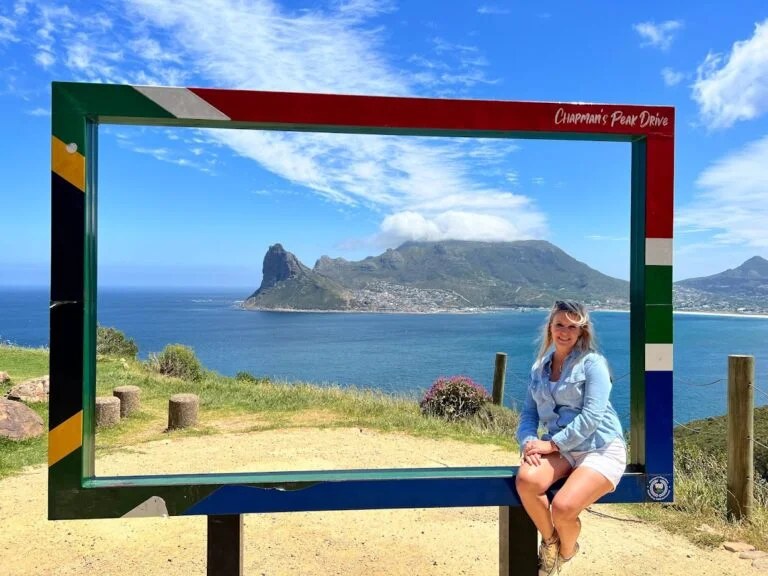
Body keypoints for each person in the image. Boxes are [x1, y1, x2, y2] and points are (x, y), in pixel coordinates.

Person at [515, 300, 626, 575]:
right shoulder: (539, 368)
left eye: (572, 327)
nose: (564, 332)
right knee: (527, 480)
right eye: (559, 325)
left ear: (581, 332)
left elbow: (592, 417)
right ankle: (551, 542)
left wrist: (551, 444)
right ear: (550, 328)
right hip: (562, 447)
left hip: (599, 446)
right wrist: (528, 442)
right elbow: (529, 414)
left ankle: (565, 553)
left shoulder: (593, 364)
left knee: (563, 507)